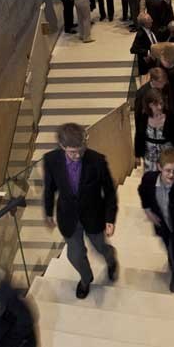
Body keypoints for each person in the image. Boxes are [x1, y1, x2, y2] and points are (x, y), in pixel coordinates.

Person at [43, 123, 118, 299]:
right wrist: (48, 212)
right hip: (68, 218)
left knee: (100, 247)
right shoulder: (51, 160)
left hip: (94, 216)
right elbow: (49, 188)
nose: (77, 156)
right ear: (62, 147)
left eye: (80, 150)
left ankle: (111, 258)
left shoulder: (97, 161)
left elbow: (109, 191)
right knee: (75, 255)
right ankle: (86, 279)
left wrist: (110, 218)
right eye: (72, 152)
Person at [138, 148, 174, 293]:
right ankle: (172, 259)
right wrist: (147, 209)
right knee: (167, 245)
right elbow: (142, 191)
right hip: (162, 224)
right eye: (168, 170)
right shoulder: (149, 179)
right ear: (159, 167)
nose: (171, 175)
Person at [134, 88, 174, 172]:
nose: (160, 107)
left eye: (161, 103)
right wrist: (137, 155)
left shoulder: (172, 117)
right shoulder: (143, 118)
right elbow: (139, 136)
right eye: (155, 104)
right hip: (150, 159)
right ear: (149, 105)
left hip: (169, 158)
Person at [130, 12, 157, 79]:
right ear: (144, 24)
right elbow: (133, 49)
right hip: (147, 66)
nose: (152, 20)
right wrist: (148, 52)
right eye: (149, 20)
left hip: (156, 62)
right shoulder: (140, 34)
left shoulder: (153, 28)